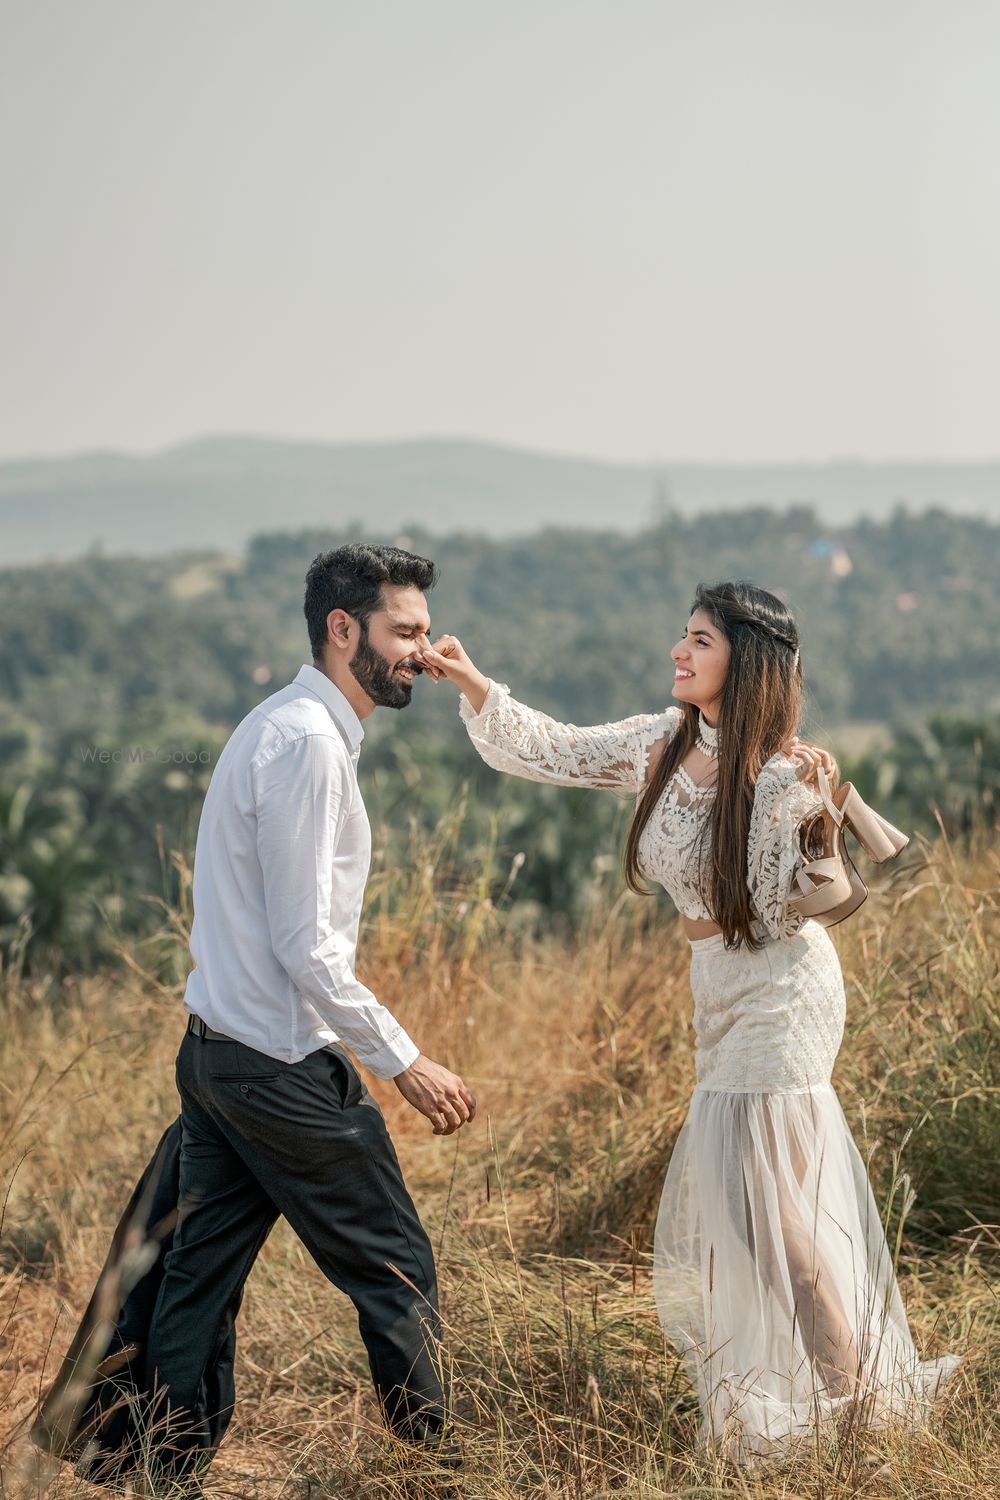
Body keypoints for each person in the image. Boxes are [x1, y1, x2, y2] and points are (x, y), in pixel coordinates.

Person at [417, 578, 958, 1463]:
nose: (679, 650)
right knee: (757, 1207)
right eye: (685, 635)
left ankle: (857, 1408)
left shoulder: (785, 772)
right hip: (717, 987)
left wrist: (808, 808)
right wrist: (477, 685)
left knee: (768, 1206)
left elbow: (801, 909)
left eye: (700, 641)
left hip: (783, 991)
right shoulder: (658, 746)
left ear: (744, 663)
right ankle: (845, 1392)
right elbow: (552, 748)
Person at [39, 543, 476, 1497]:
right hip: (277, 1071)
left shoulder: (283, 725)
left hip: (220, 1060)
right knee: (395, 1265)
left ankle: (157, 1470)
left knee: (198, 1275)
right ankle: (440, 1466)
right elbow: (306, 948)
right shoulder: (311, 746)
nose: (421, 650)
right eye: (404, 631)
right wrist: (407, 1062)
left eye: (421, 630)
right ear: (341, 629)